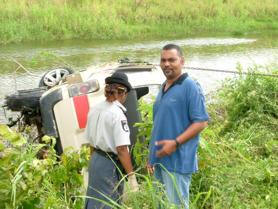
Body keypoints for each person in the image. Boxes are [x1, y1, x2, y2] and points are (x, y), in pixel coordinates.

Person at [147, 44, 209, 208]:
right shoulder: (164, 87)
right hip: (160, 161)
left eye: (171, 60)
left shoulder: (190, 86)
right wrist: (151, 156)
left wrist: (175, 143)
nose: (166, 64)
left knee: (177, 206)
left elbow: (201, 122)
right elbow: (159, 125)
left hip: (178, 162)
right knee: (161, 205)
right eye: (163, 60)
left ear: (182, 61)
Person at [84, 72, 139, 209]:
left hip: (96, 159)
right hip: (109, 163)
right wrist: (131, 176)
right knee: (109, 202)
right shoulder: (117, 114)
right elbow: (121, 149)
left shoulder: (94, 109)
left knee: (93, 200)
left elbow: (90, 143)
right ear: (123, 93)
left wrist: (92, 162)